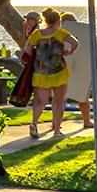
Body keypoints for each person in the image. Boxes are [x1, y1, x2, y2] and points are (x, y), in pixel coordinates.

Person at [26, 9, 77, 139]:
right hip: (58, 71)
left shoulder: (37, 34)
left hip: (41, 72)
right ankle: (56, 130)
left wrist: (36, 57)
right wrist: (68, 52)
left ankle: (34, 124)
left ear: (46, 20)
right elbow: (75, 43)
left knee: (40, 102)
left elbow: (27, 49)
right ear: (58, 21)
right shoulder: (61, 33)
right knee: (58, 102)